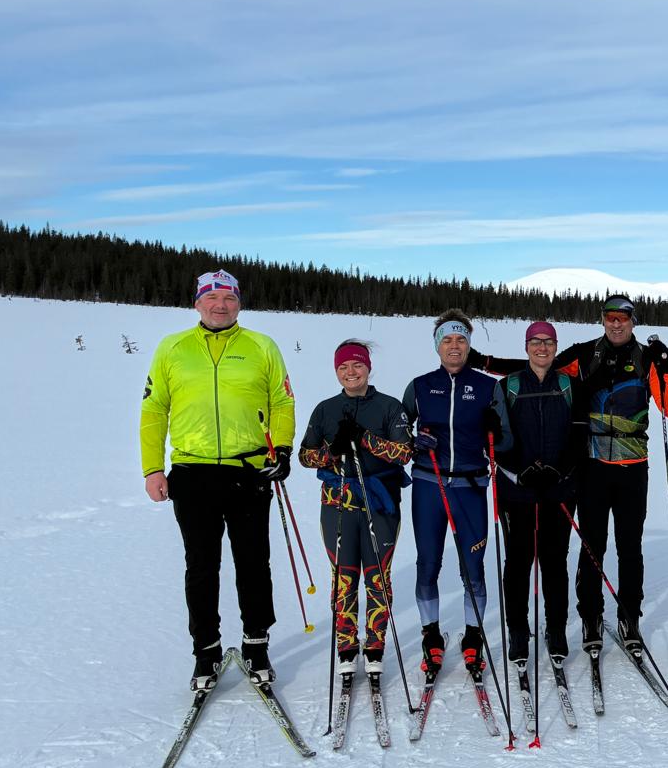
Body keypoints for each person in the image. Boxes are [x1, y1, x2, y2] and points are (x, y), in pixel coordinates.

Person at [470, 295, 668, 653]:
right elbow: (538, 368)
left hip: (633, 466)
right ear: (602, 320)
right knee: (592, 545)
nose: (617, 324)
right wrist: (486, 363)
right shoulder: (585, 354)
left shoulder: (646, 358)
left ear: (633, 321)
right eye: (610, 318)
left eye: (623, 318)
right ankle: (590, 615)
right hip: (592, 465)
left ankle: (629, 615)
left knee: (630, 545)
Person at [140, 269, 295, 688]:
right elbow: (155, 410)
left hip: (248, 470)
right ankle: (205, 651)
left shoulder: (261, 346)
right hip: (192, 472)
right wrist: (152, 468)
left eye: (228, 298)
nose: (220, 305)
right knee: (201, 567)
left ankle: (256, 645)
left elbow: (281, 401)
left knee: (253, 563)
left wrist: (281, 449)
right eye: (212, 298)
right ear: (197, 303)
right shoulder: (172, 348)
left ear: (239, 303)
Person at [401, 310, 506, 677]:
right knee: (427, 563)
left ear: (469, 344)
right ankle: (431, 634)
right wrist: (414, 442)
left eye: (461, 339)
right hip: (429, 485)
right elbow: (399, 435)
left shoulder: (488, 387)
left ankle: (473, 635)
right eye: (447, 339)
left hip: (470, 486)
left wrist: (494, 431)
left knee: (473, 568)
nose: (454, 345)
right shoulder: (419, 386)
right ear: (437, 345)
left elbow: (506, 438)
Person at [298, 340, 413, 675]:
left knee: (377, 576)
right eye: (343, 367)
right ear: (337, 371)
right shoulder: (325, 409)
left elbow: (404, 453)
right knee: (343, 577)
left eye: (357, 365)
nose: (351, 372)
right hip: (337, 503)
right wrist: (332, 451)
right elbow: (305, 456)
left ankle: (375, 646)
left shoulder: (390, 407)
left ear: (368, 367)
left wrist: (364, 438)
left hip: (380, 502)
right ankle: (346, 646)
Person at [491, 321, 585, 667]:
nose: (542, 348)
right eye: (535, 342)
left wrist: (559, 469)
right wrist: (519, 468)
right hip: (518, 489)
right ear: (526, 346)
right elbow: (498, 439)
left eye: (548, 342)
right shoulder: (508, 385)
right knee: (517, 562)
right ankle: (518, 630)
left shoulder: (569, 385)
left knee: (554, 560)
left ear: (556, 347)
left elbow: (579, 435)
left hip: (559, 487)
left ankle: (556, 629)